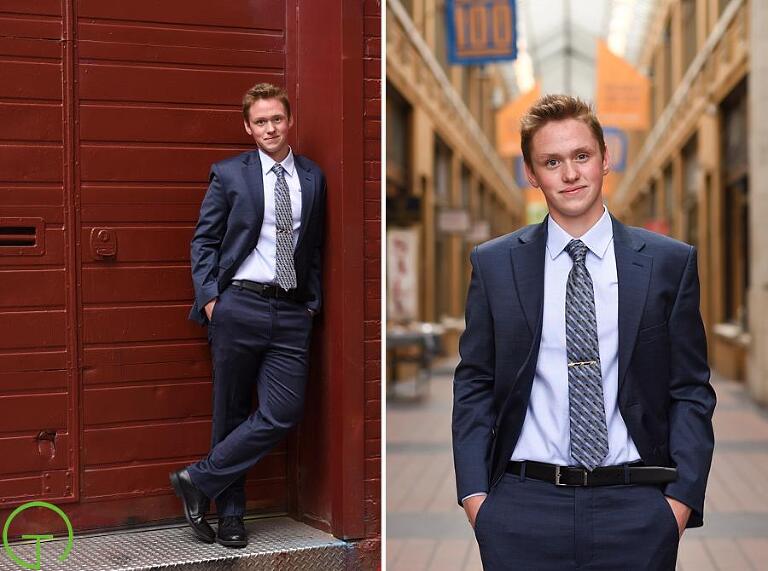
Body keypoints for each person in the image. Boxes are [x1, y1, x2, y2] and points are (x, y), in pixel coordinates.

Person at [452, 94, 715, 570]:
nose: (570, 174)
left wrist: (678, 504)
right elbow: (474, 382)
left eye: (581, 156)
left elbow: (691, 388)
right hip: (522, 508)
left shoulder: (668, 263)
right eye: (552, 162)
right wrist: (476, 498)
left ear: (604, 158)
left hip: (636, 508)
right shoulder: (493, 264)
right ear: (532, 175)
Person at [170, 83, 325, 548]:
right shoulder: (228, 174)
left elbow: (312, 245)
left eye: (276, 119)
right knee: (231, 413)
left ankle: (198, 479)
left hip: (293, 310)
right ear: (247, 127)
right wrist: (214, 299)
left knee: (284, 410)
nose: (270, 128)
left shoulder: (313, 177)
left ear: (289, 120)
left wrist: (312, 300)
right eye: (260, 121)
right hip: (239, 305)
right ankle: (231, 517)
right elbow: (204, 241)